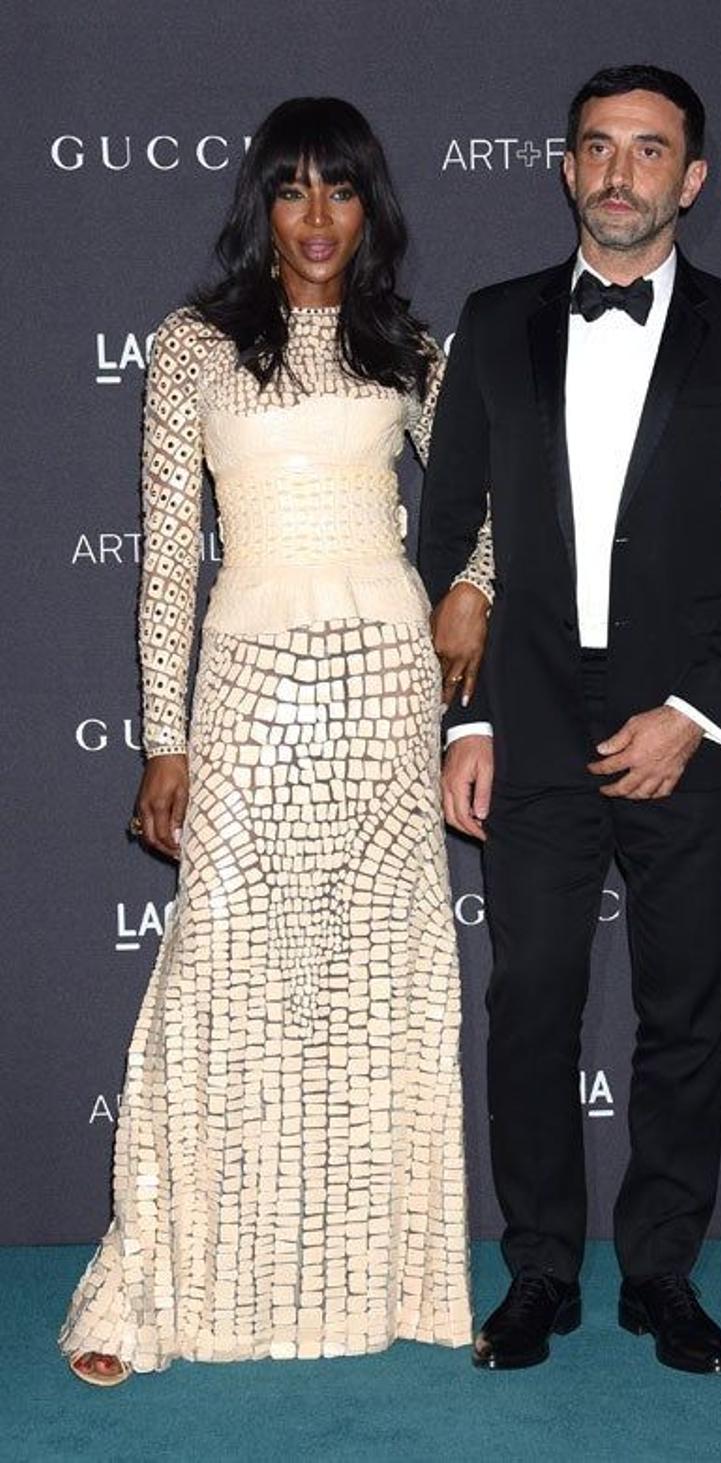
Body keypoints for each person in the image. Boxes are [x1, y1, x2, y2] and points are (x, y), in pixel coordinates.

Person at [61, 97, 493, 1384]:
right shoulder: (190, 347)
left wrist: (473, 582)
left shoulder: (417, 348)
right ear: (261, 204)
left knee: (382, 985)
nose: (317, 219)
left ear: (373, 207)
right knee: (218, 978)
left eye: (342, 191)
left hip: (383, 688)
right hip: (248, 684)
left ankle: (392, 1280)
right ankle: (153, 1288)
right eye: (294, 190)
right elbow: (161, 565)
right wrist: (164, 734)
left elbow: (491, 502)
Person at [419, 64, 721, 1374]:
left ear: (690, 178)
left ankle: (660, 1275)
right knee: (530, 1000)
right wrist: (463, 722)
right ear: (567, 165)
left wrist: (693, 714)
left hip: (688, 733)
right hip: (526, 721)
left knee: (686, 1012)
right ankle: (540, 1265)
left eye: (650, 151)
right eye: (598, 146)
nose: (621, 171)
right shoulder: (495, 320)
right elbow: (452, 541)